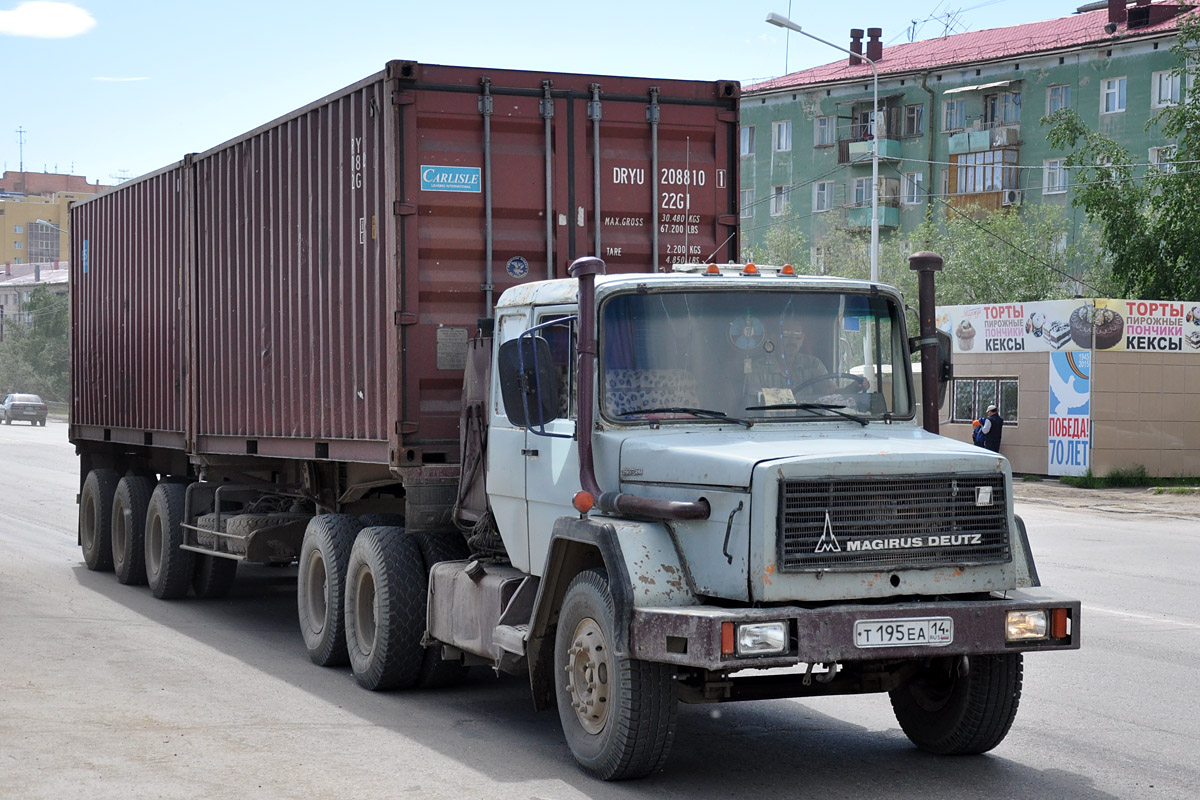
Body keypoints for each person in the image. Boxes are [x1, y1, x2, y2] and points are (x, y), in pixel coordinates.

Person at [745, 319, 862, 407]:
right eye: (786, 336)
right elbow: (754, 403)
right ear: (774, 338)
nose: (792, 341)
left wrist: (851, 388)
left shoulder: (813, 364)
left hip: (809, 424)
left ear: (803, 339)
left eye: (797, 336)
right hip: (767, 426)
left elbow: (833, 393)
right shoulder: (758, 368)